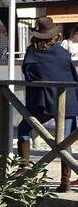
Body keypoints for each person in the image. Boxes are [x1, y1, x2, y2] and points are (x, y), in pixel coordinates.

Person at [17, 17, 78, 193]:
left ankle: (24, 167)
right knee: (64, 143)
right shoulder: (62, 53)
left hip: (43, 102)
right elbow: (72, 75)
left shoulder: (32, 53)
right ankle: (65, 182)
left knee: (23, 129)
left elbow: (29, 77)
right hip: (67, 101)